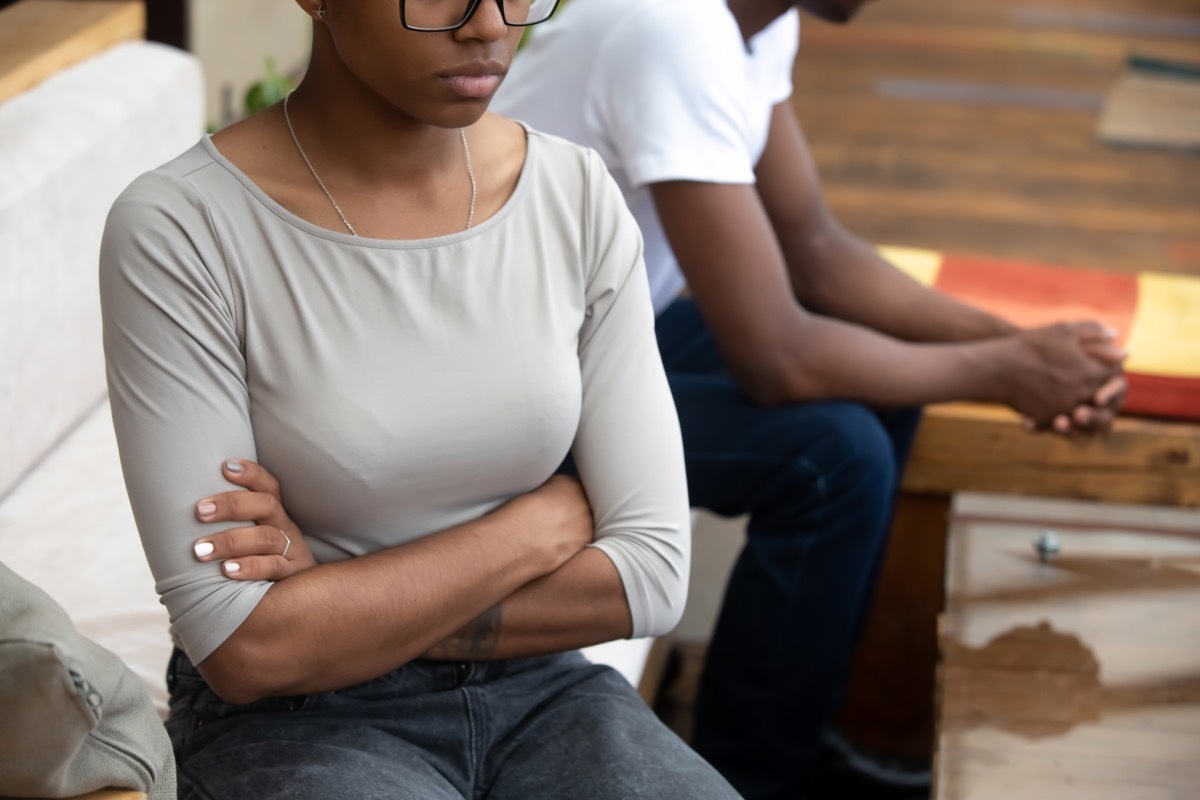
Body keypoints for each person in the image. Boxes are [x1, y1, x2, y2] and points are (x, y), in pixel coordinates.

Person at [99, 0, 741, 797]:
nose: (489, 24)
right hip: (295, 722)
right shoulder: (181, 228)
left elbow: (649, 577)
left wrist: (330, 591)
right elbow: (247, 648)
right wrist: (538, 526)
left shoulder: (573, 193)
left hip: (544, 692)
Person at [490, 0, 1127, 797]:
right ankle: (750, 775)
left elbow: (817, 251)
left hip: (606, 340)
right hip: (514, 389)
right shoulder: (671, 28)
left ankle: (802, 728)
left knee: (884, 386)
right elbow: (777, 359)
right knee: (836, 458)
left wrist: (1025, 349)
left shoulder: (755, 22)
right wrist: (1003, 370)